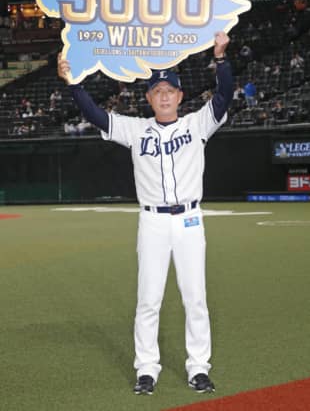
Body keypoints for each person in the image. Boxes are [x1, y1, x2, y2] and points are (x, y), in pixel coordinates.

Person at [57, 31, 233, 396]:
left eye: (170, 90)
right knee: (148, 299)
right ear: (149, 98)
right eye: (158, 91)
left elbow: (223, 96)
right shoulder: (136, 130)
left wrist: (221, 59)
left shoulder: (196, 124)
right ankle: (146, 369)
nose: (164, 96)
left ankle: (198, 367)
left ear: (180, 96)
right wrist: (73, 83)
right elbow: (95, 115)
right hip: (152, 221)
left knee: (195, 297)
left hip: (188, 220)